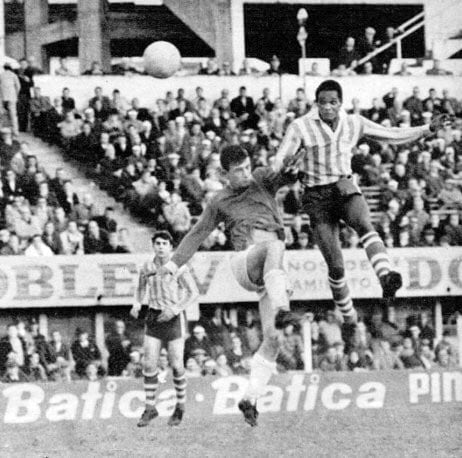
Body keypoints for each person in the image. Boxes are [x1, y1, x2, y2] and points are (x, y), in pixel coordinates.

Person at [273, 79, 450, 323]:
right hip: (316, 195)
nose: (327, 107)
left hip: (343, 185)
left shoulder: (354, 123)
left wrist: (427, 129)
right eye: (322, 102)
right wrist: (286, 166)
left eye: (332, 102)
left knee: (364, 223)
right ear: (316, 103)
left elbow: (392, 135)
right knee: (336, 267)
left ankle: (386, 276)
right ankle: (348, 315)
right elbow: (280, 158)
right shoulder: (300, 126)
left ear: (340, 103)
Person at [156, 145, 298, 427]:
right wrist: (172, 266)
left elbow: (284, 176)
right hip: (245, 262)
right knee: (275, 245)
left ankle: (250, 397)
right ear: (225, 174)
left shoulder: (261, 179)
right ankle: (283, 305)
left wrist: (292, 171)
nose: (245, 174)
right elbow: (197, 234)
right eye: (238, 171)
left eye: (247, 167)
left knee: (273, 339)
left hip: (269, 274)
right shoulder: (220, 201)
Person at [130, 230, 199, 427]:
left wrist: (176, 308)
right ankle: (150, 408)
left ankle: (180, 406)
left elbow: (193, 292)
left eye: (164, 244)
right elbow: (141, 287)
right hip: (153, 316)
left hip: (173, 318)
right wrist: (137, 303)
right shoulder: (147, 266)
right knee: (149, 364)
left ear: (170, 247)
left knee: (177, 365)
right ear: (153, 245)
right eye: (157, 243)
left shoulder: (178, 267)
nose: (160, 247)